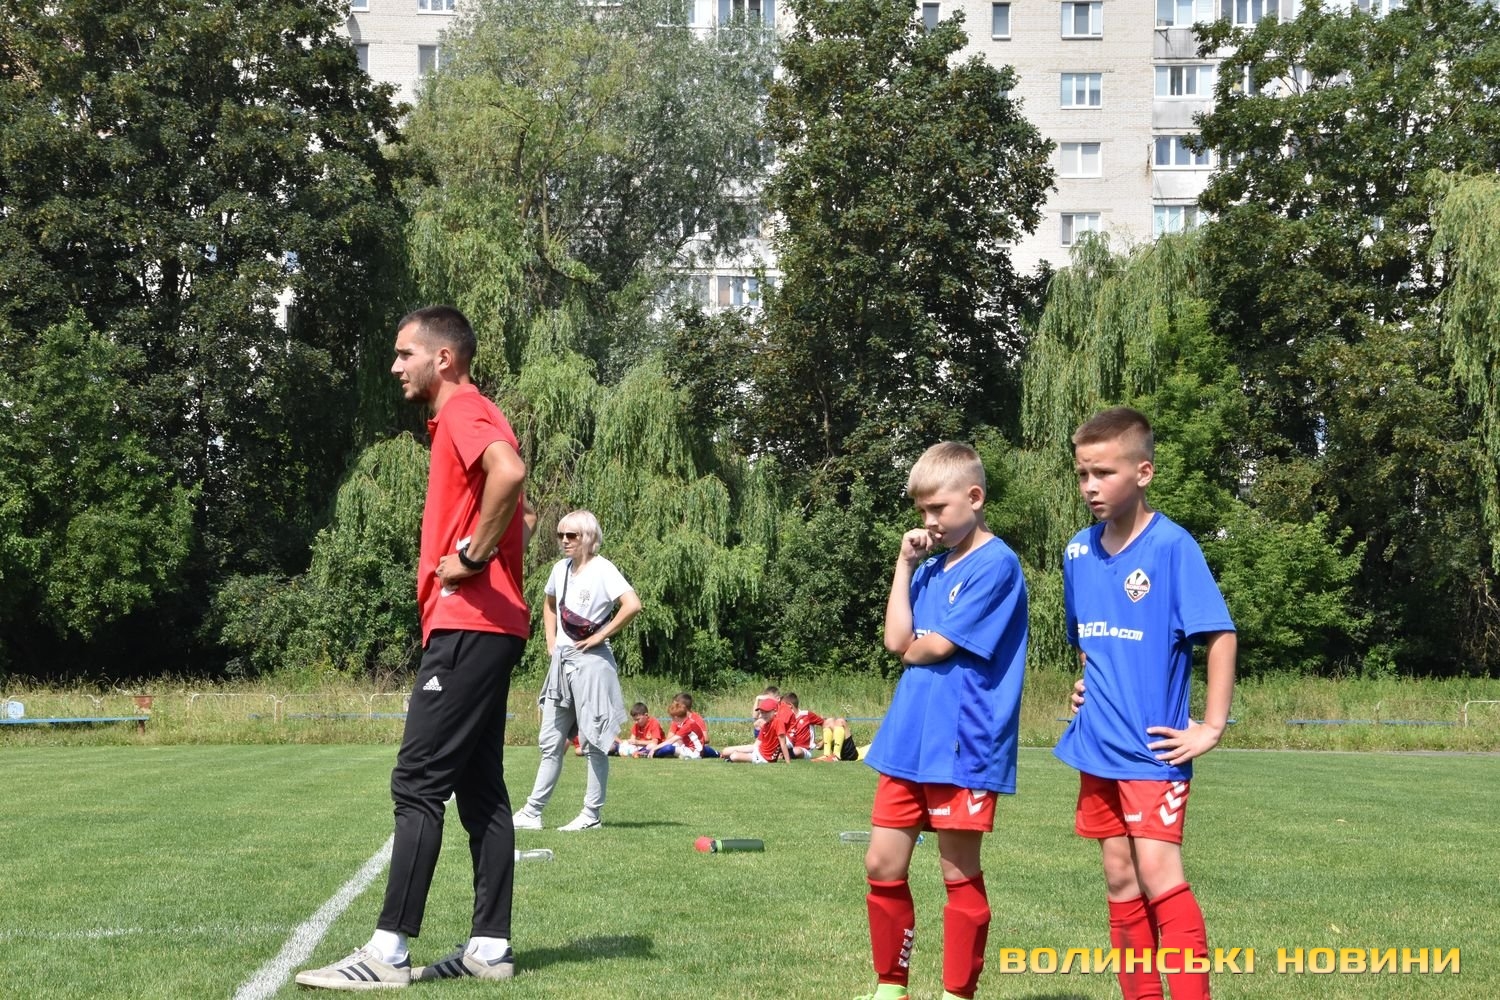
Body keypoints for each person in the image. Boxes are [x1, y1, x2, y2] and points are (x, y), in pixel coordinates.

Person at [296, 305, 532, 989]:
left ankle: (387, 952)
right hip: (489, 627)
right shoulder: (472, 416)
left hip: (468, 624)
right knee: (481, 791)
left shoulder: (462, 411)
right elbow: (517, 506)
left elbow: (510, 475)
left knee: (418, 782)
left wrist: (472, 557)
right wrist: (489, 550)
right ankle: (490, 948)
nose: (396, 366)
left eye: (406, 354)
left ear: (443, 359)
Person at [1054, 407, 1236, 1000]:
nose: (1090, 486)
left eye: (1104, 473)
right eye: (1083, 474)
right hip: (1097, 746)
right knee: (1119, 877)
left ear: (1143, 472)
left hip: (1153, 750)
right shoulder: (1077, 552)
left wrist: (1211, 726)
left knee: (1159, 874)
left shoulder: (1172, 547)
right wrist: (1086, 684)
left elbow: (1220, 634)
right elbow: (1090, 639)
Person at [855, 441, 1029, 1000]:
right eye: (921, 511)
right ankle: (892, 987)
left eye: (938, 508)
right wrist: (904, 564)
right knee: (882, 864)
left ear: (974, 498)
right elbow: (896, 640)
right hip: (908, 736)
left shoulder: (997, 565)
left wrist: (915, 646)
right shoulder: (928, 567)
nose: (929, 521)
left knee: (957, 872)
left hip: (964, 741)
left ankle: (957, 993)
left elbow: (931, 648)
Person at [513, 510, 642, 832]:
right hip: (562, 664)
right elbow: (548, 603)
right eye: (560, 535)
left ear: (589, 537)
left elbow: (632, 605)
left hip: (592, 663)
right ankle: (532, 813)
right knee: (550, 741)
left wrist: (600, 635)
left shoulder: (603, 569)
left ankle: (591, 815)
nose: (564, 541)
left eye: (571, 535)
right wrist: (551, 640)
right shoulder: (560, 569)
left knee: (593, 742)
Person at [719, 694, 793, 763]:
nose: (763, 715)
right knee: (725, 751)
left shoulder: (778, 722)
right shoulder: (765, 725)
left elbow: (783, 744)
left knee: (734, 756)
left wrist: (788, 762)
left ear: (775, 711)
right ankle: (730, 756)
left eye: (766, 712)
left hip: (764, 758)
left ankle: (731, 758)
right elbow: (757, 744)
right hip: (758, 751)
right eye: (762, 712)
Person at [652, 693, 709, 758]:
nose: (673, 706)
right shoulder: (680, 721)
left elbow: (671, 740)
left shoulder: (689, 723)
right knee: (668, 746)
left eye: (676, 705)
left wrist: (654, 748)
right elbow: (669, 739)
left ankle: (652, 754)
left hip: (693, 751)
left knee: (669, 748)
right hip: (686, 746)